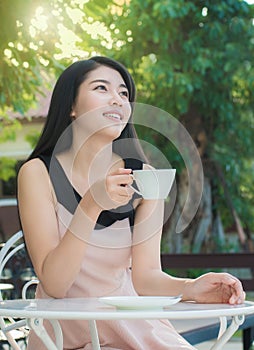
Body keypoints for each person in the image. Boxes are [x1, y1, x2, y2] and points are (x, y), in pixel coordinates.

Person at [18, 56, 245, 350]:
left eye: (124, 93)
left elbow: (146, 277)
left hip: (131, 327)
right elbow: (56, 285)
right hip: (64, 333)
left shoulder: (145, 177)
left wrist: (191, 288)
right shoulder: (38, 173)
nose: (117, 99)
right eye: (102, 88)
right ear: (71, 107)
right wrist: (91, 205)